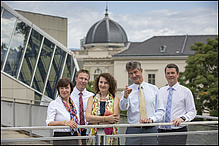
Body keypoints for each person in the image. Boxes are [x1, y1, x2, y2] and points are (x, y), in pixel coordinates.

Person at [119, 61, 165, 145]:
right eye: (131, 73)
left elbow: (161, 110)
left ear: (141, 71)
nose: (134, 75)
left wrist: (151, 120)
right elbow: (122, 108)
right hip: (133, 131)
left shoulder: (154, 89)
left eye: (135, 72)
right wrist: (125, 97)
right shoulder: (127, 91)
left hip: (150, 130)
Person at [157, 63, 196, 145]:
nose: (170, 75)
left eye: (172, 73)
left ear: (177, 75)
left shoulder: (186, 91)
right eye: (168, 73)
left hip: (178, 132)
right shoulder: (160, 91)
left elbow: (192, 111)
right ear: (165, 76)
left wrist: (182, 118)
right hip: (161, 132)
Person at [85, 73, 120, 145]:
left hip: (110, 137)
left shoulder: (115, 99)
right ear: (97, 83)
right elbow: (88, 118)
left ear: (110, 85)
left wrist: (95, 121)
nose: (102, 85)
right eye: (101, 82)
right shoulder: (91, 99)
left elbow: (115, 119)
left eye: (106, 83)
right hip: (93, 136)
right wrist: (106, 119)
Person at [46, 78, 82, 145]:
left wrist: (79, 142)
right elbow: (49, 123)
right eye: (61, 88)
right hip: (60, 138)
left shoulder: (74, 105)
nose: (64, 90)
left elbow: (77, 124)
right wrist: (64, 123)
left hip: (74, 137)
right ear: (58, 89)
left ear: (71, 89)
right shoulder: (54, 104)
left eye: (66, 88)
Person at [70, 69, 94, 144]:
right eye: (81, 78)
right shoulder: (69, 95)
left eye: (86, 79)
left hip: (88, 131)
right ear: (76, 79)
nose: (83, 81)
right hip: (73, 131)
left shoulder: (92, 96)